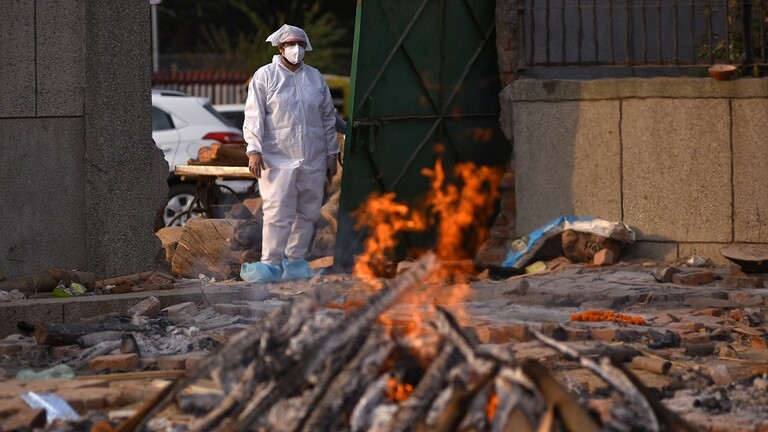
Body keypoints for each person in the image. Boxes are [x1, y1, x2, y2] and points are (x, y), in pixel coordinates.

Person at [240, 24, 340, 283]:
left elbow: (328, 118)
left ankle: (295, 262)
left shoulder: (315, 78)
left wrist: (332, 153)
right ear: (280, 47)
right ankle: (270, 264)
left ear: (305, 47)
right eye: (290, 44)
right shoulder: (265, 76)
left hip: (313, 157)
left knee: (307, 211)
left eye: (300, 44)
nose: (296, 49)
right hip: (277, 158)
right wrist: (254, 150)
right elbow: (254, 117)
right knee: (277, 212)